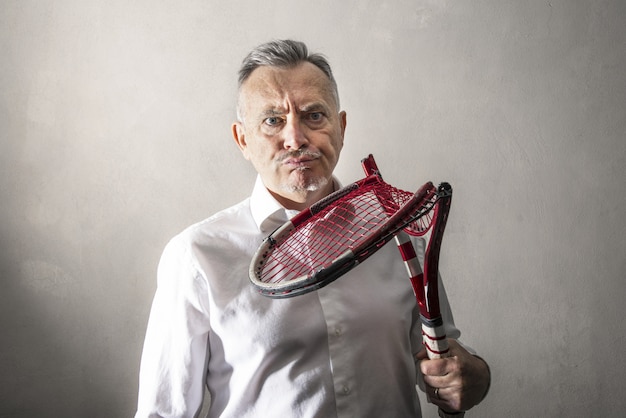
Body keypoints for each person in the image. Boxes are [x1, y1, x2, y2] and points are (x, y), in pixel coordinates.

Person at [135, 39, 490, 418]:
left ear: (341, 127)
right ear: (243, 140)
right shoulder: (196, 256)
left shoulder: (399, 231)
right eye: (273, 120)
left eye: (314, 116)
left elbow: (448, 363)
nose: (296, 138)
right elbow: (163, 412)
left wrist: (474, 379)